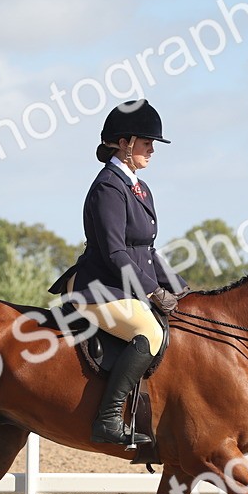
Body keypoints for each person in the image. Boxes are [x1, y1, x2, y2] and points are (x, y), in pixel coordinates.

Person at [49, 99, 189, 445]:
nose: (152, 150)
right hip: (100, 288)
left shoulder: (138, 187)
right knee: (150, 333)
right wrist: (153, 291)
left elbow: (148, 252)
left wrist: (183, 290)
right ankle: (108, 418)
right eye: (146, 143)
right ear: (125, 144)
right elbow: (115, 252)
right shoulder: (108, 187)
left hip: (126, 288)